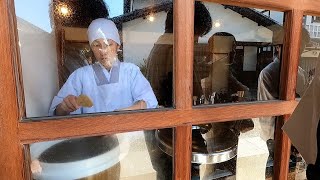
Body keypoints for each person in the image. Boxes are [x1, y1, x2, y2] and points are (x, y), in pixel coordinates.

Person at [49, 18, 158, 116]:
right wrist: (64, 107)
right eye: (97, 45)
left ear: (118, 46)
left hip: (127, 135)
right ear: (91, 48)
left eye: (109, 44)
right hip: (91, 136)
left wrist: (123, 113)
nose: (103, 51)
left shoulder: (131, 71)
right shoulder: (80, 75)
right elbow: (55, 113)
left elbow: (150, 102)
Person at [257, 29, 310, 141]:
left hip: (297, 130)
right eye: (296, 45)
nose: (298, 50)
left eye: (301, 47)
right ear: (278, 47)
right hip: (275, 134)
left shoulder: (301, 71)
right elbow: (269, 110)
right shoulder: (269, 72)